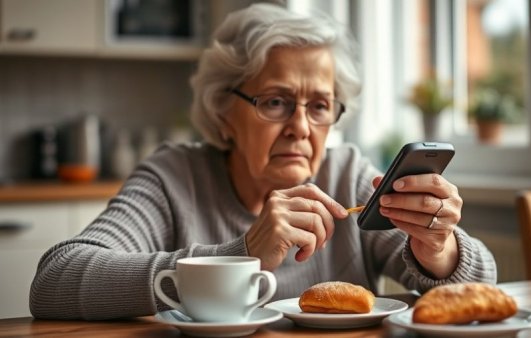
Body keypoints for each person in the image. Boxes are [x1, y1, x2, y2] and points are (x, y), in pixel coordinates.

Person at [30, 3, 496, 320]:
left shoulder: (348, 174)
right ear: (222, 111)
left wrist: (438, 248)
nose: (300, 126)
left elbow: (482, 286)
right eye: (275, 102)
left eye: (319, 106)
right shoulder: (174, 177)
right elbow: (54, 281)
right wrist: (241, 254)